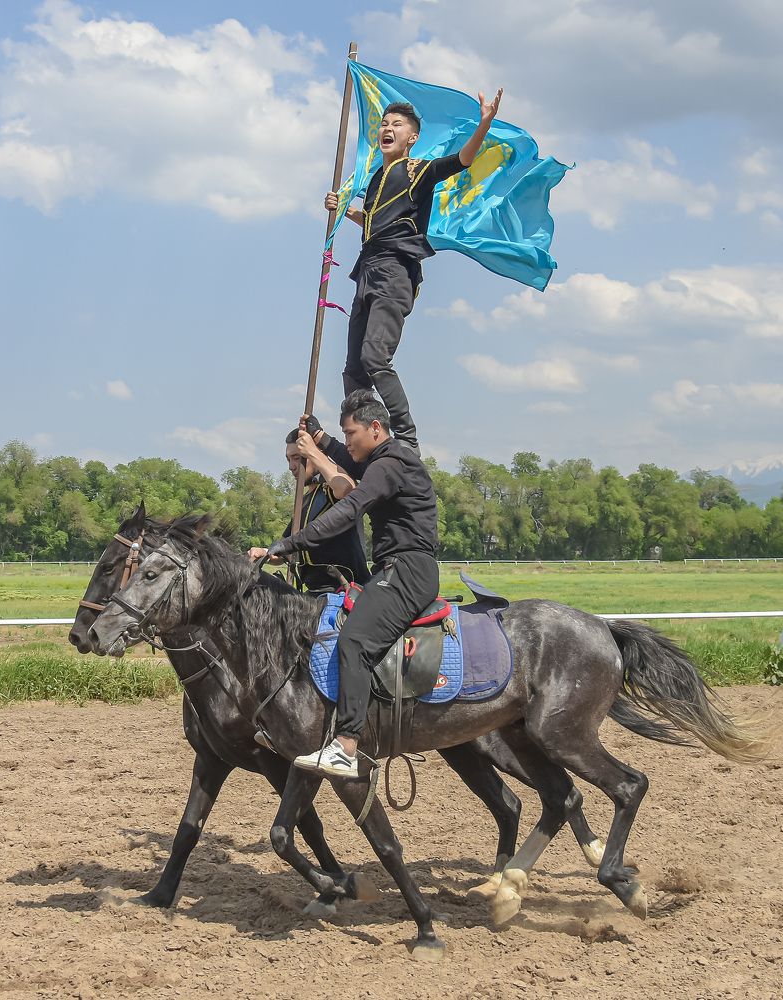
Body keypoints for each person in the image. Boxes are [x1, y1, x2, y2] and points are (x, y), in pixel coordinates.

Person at [266, 390, 440, 778]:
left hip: (408, 570)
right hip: (396, 569)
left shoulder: (391, 464)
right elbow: (348, 460)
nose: (346, 444)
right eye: (342, 436)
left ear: (375, 429)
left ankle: (346, 745)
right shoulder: (383, 459)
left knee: (354, 641)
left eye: (350, 434)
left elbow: (350, 507)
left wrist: (292, 542)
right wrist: (321, 438)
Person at [325, 90, 503, 454]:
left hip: (395, 270)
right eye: (384, 124)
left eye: (397, 124)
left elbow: (461, 160)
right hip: (367, 270)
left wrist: (484, 123)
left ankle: (405, 437)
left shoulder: (418, 169)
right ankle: (361, 435)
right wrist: (344, 208)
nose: (387, 128)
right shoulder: (376, 178)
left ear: (412, 137)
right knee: (354, 368)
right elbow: (374, 222)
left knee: (375, 357)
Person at [248, 428, 369, 593]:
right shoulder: (302, 503)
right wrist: (264, 553)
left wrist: (313, 451)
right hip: (313, 593)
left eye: (297, 458)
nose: (291, 467)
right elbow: (285, 551)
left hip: (347, 590)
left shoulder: (332, 491)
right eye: (288, 459)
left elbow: (347, 489)